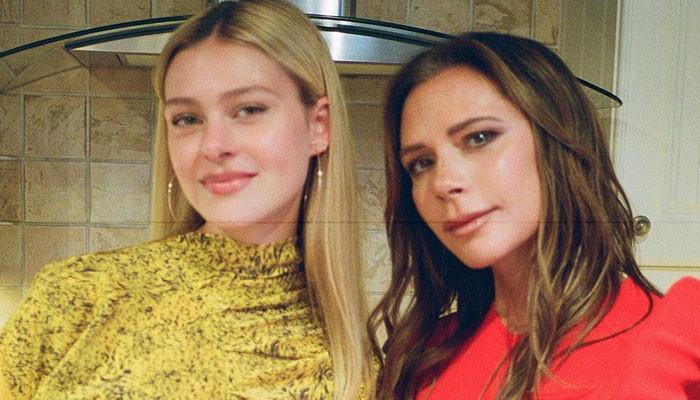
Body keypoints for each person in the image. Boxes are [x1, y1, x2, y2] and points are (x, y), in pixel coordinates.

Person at [0, 1, 374, 399]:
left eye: (249, 109)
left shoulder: (356, 372)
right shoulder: (75, 296)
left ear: (319, 126)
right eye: (187, 119)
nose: (213, 145)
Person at [368, 31, 700, 400]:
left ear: (555, 139)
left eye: (479, 138)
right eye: (421, 163)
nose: (443, 182)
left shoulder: (676, 335)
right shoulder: (426, 353)